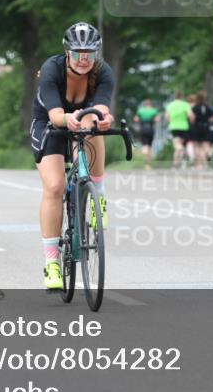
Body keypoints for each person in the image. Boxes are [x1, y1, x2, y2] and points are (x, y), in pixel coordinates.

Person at [30, 22, 115, 290]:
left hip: (82, 120)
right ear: (67, 52)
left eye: (90, 53)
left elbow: (100, 106)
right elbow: (56, 116)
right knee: (54, 187)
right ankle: (52, 263)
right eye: (78, 53)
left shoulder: (103, 72)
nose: (84, 59)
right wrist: (70, 119)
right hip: (50, 123)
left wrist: (102, 119)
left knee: (94, 121)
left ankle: (97, 195)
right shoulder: (51, 69)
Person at [165, 91, 194, 169]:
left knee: (177, 145)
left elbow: (167, 117)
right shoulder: (185, 105)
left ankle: (182, 152)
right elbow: (190, 115)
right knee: (178, 146)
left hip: (174, 127)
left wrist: (173, 121)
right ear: (182, 97)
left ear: (175, 97)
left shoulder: (170, 105)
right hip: (184, 127)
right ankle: (176, 164)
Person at [190, 90, 213, 170]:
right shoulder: (208, 107)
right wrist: (210, 120)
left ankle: (199, 164)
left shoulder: (195, 107)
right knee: (206, 145)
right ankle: (207, 159)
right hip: (206, 127)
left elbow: (192, 118)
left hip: (197, 127)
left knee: (198, 146)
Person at [133, 99, 158, 169]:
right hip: (151, 129)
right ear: (150, 104)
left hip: (143, 129)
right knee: (149, 146)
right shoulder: (154, 110)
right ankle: (148, 164)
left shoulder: (140, 111)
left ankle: (145, 153)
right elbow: (157, 119)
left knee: (145, 145)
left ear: (145, 105)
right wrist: (151, 119)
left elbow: (135, 119)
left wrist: (141, 120)